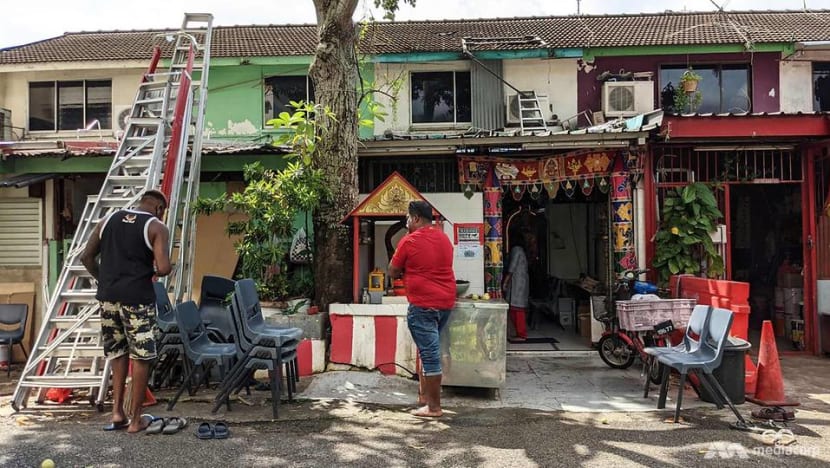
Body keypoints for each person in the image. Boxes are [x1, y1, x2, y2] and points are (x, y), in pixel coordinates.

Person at [81, 189, 171, 433]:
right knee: (141, 356)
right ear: (159, 209)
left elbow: (86, 257)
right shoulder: (156, 227)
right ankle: (135, 420)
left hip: (108, 300)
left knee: (117, 352)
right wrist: (155, 267)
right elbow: (163, 268)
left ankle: (117, 412)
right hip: (138, 301)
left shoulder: (106, 221)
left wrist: (106, 281)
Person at [388, 201, 455, 418]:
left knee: (429, 355)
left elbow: (392, 270)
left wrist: (403, 268)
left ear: (416, 218)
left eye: (407, 218)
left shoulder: (409, 240)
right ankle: (425, 397)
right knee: (430, 350)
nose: (406, 223)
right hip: (445, 303)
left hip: (424, 305)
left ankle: (434, 407)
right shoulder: (444, 238)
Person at [502, 230, 529, 342]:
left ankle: (522, 334)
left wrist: (505, 281)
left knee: (517, 310)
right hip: (520, 282)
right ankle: (519, 332)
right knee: (516, 309)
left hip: (517, 284)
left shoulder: (516, 250)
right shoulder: (521, 250)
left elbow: (511, 267)